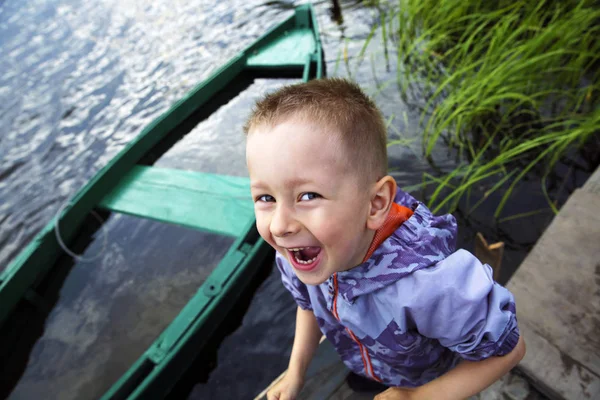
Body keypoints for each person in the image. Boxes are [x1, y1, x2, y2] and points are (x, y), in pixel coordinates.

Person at [244, 78, 525, 400]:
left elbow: (509, 349)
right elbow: (308, 304)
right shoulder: (299, 250)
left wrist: (416, 397)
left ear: (375, 203)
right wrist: (296, 372)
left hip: (431, 380)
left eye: (308, 195)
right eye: (265, 197)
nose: (279, 225)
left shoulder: (431, 286)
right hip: (366, 360)